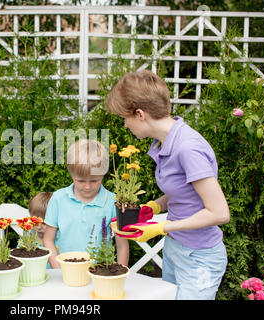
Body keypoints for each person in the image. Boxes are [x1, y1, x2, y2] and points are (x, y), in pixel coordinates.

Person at [106, 70, 230, 300]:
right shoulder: (165, 142)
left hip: (199, 257)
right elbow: (186, 193)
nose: (125, 125)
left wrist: (161, 228)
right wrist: (154, 206)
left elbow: (219, 212)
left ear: (140, 114)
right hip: (176, 249)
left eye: (125, 118)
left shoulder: (188, 148)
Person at [43, 139, 129, 269]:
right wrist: (59, 270)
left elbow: (122, 245)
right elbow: (48, 240)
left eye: (94, 180)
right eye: (81, 181)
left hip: (99, 273)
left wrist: (119, 273)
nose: (87, 187)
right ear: (72, 175)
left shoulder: (113, 202)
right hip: (64, 272)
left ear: (103, 175)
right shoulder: (58, 198)